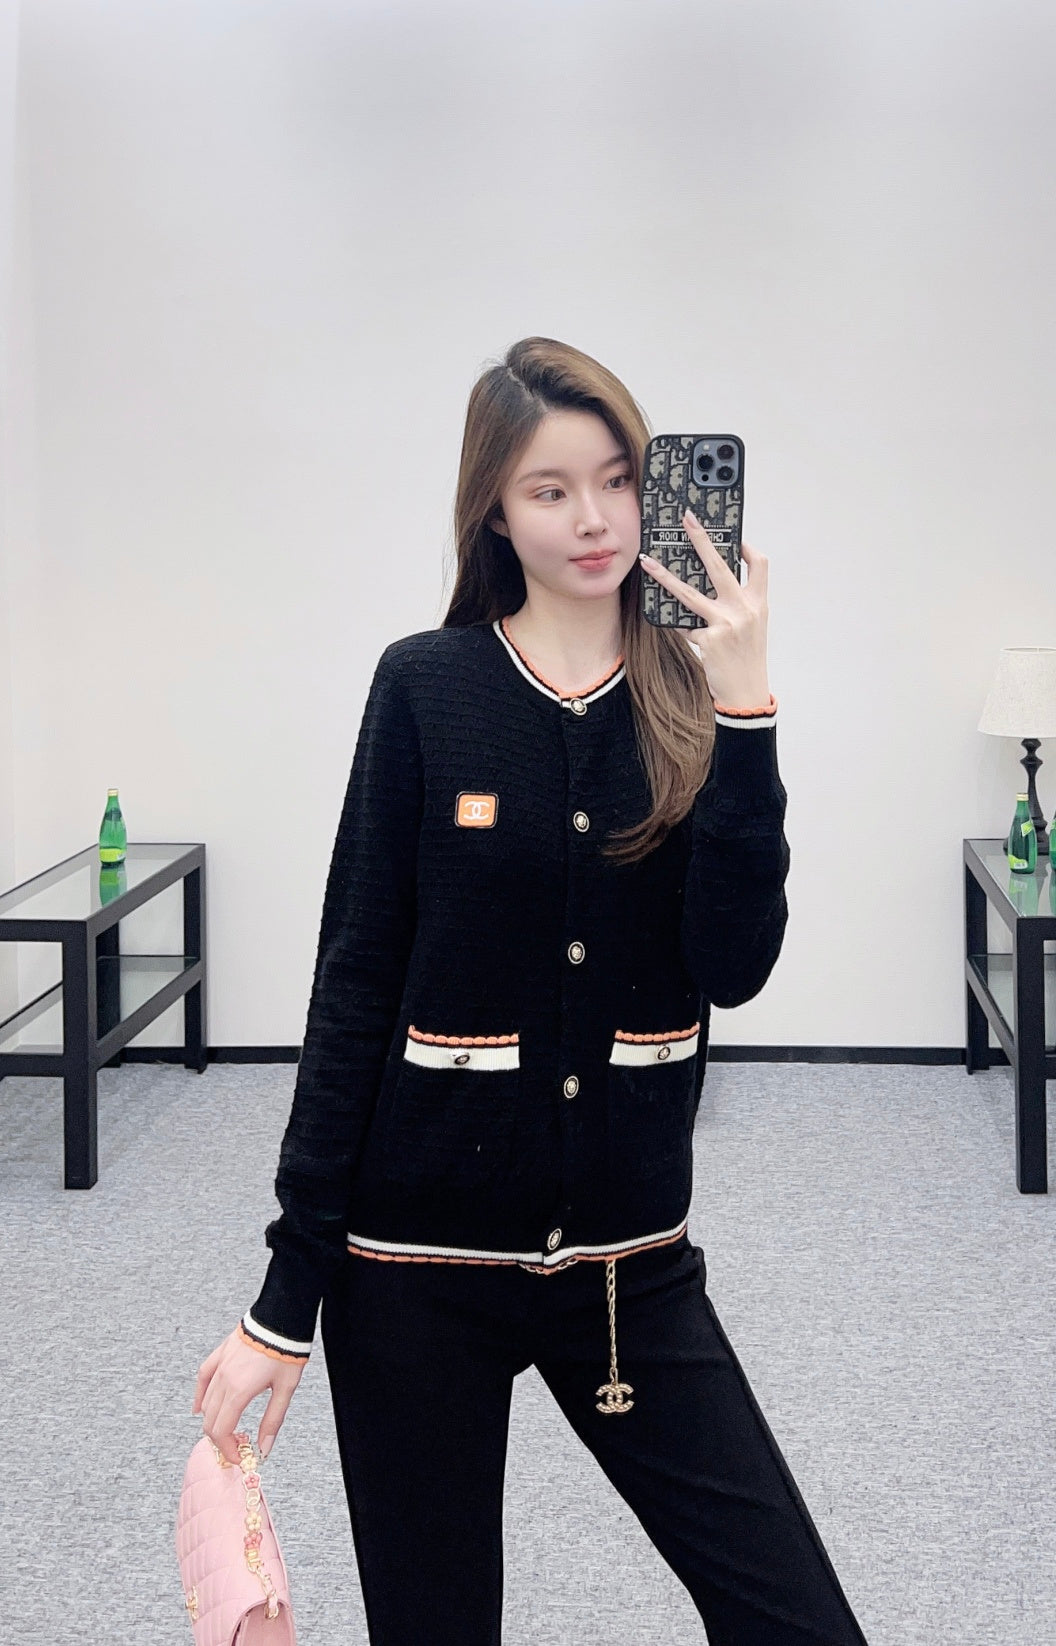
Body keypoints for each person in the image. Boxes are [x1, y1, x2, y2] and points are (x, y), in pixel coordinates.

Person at [194, 336, 870, 1644]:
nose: (594, 518)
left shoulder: (689, 699)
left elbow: (735, 965)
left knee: (796, 1618)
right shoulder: (426, 688)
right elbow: (354, 987)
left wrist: (748, 715)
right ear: (495, 510)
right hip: (414, 1271)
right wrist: (285, 1299)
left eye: (617, 479)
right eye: (550, 489)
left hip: (627, 1267)